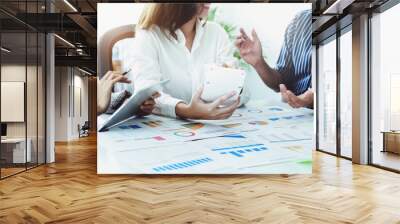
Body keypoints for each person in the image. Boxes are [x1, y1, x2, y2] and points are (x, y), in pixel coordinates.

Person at [130, 3, 250, 120]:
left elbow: (244, 95)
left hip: (214, 126)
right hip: (166, 127)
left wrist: (233, 82)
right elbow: (146, 94)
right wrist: (186, 111)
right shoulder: (149, 35)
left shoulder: (216, 32)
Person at [235, 10, 313, 109]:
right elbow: (280, 82)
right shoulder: (299, 21)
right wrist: (258, 63)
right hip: (298, 112)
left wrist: (312, 98)